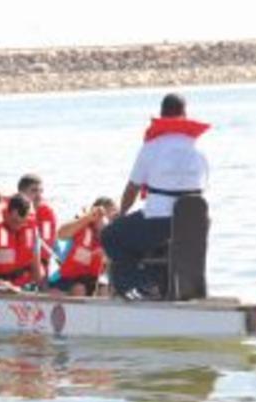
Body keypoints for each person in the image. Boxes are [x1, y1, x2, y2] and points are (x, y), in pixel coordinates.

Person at [101, 93, 210, 299]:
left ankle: (140, 283)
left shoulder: (152, 147)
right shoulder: (199, 148)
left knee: (110, 236)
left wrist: (122, 214)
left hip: (159, 222)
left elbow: (132, 188)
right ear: (185, 115)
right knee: (145, 236)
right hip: (194, 224)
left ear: (161, 115)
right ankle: (160, 283)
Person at [50, 197, 117, 296]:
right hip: (69, 278)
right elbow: (61, 234)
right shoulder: (82, 226)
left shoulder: (115, 235)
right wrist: (87, 218)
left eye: (113, 217)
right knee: (79, 289)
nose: (108, 221)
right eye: (103, 216)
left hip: (94, 280)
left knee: (106, 290)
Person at [0, 193, 43, 291]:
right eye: (14, 221)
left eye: (22, 222)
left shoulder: (32, 232)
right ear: (7, 213)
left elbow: (36, 271)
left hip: (24, 288)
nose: (17, 226)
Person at [18, 174, 57, 274]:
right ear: (21, 193)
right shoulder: (13, 213)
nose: (39, 195)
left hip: (40, 266)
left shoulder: (47, 214)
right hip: (17, 266)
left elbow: (47, 244)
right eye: (34, 191)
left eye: (41, 191)